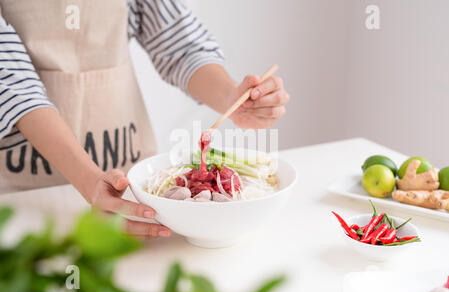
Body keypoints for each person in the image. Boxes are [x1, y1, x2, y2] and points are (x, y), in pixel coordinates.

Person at [0, 0, 289, 240]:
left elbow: (179, 44)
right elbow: (15, 88)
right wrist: (90, 182)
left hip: (130, 191)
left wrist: (232, 100)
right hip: (26, 199)